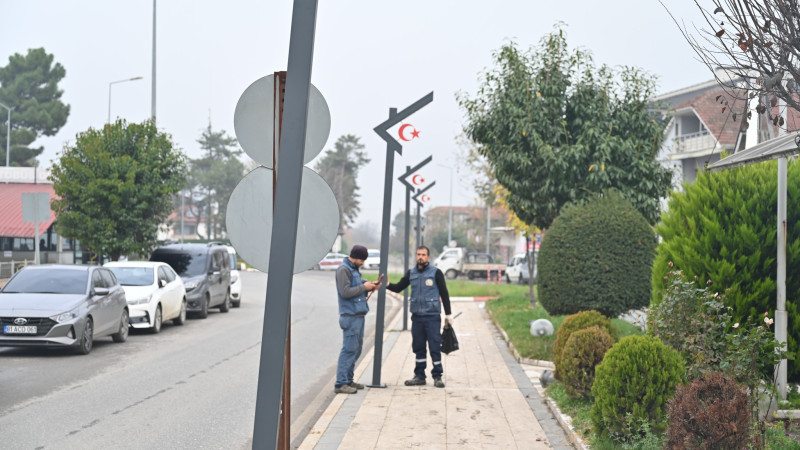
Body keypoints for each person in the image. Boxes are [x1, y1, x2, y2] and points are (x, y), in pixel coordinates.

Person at [386, 246, 452, 388]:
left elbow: (444, 293)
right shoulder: (411, 273)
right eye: (418, 254)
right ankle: (419, 376)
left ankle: (437, 376)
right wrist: (386, 284)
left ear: (428, 257)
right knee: (418, 346)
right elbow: (398, 287)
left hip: (432, 316)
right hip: (417, 317)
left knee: (434, 346)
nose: (420, 257)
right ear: (416, 256)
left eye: (423, 255)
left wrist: (448, 314)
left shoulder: (436, 273)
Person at [334, 244, 381, 394]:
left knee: (356, 349)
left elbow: (356, 286)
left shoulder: (353, 269)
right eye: (362, 260)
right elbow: (345, 292)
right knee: (348, 350)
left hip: (358, 315)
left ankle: (348, 380)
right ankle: (340, 384)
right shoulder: (343, 270)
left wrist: (369, 286)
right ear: (356, 257)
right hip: (350, 316)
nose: (363, 263)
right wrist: (364, 287)